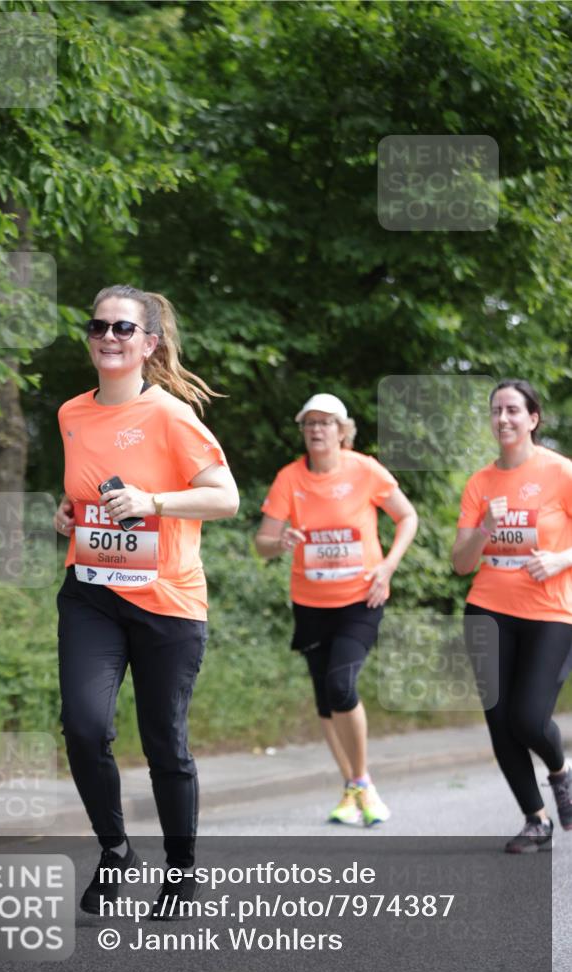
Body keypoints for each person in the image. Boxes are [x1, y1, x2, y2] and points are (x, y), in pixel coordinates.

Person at [54, 284, 239, 915]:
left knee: (165, 742)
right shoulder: (72, 413)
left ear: (149, 344)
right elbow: (82, 492)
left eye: (123, 329)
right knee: (83, 727)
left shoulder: (170, 415)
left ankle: (181, 870)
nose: (108, 337)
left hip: (168, 601)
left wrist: (153, 501)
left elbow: (225, 498)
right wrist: (68, 514)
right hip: (92, 594)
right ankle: (114, 852)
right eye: (99, 326)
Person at [255, 393, 418, 826]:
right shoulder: (289, 478)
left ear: (342, 431)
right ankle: (351, 788)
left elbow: (407, 517)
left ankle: (362, 781)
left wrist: (387, 566)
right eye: (310, 423)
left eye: (326, 422)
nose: (317, 429)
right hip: (311, 604)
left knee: (342, 685)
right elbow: (262, 543)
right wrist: (281, 542)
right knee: (326, 700)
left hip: (361, 600)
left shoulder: (363, 469)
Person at [453, 379, 572, 853]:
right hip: (487, 610)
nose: (503, 419)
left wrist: (562, 559)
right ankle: (535, 821)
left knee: (527, 717)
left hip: (549, 611)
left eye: (513, 411)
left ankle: (560, 771)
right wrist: (484, 529)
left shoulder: (560, 472)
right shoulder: (480, 483)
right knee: (500, 721)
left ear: (533, 419)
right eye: (496, 411)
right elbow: (462, 563)